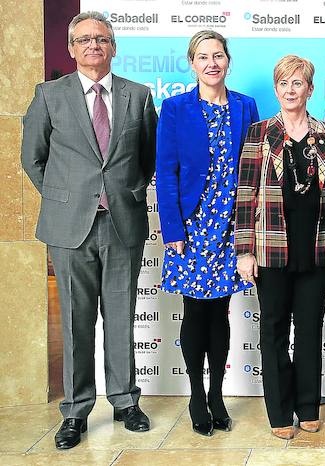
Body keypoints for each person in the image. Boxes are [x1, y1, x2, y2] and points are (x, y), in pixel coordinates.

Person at [21, 11, 156, 450]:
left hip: (122, 222)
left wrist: (124, 191)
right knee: (76, 322)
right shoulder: (49, 95)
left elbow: (147, 156)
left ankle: (125, 402)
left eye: (101, 38)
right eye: (84, 39)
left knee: (120, 317)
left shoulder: (138, 95)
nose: (93, 45)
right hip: (70, 228)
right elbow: (33, 157)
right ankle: (76, 412)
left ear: (113, 47)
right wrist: (64, 197)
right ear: (71, 48)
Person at [235, 55, 325, 440]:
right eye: (283, 84)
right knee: (272, 331)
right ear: (276, 89)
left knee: (309, 331)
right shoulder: (259, 133)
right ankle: (279, 412)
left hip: (317, 247)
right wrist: (244, 250)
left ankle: (307, 405)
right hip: (270, 247)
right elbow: (246, 193)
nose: (290, 90)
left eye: (297, 83)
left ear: (310, 89)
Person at [155, 30, 259, 437]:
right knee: (195, 310)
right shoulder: (175, 108)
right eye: (203, 57)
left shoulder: (245, 106)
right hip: (193, 227)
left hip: (232, 225)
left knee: (221, 311)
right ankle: (196, 396)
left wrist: (249, 230)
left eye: (218, 55)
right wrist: (172, 230)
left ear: (228, 60)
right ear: (192, 63)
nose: (211, 63)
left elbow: (254, 170)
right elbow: (166, 172)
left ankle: (217, 394)